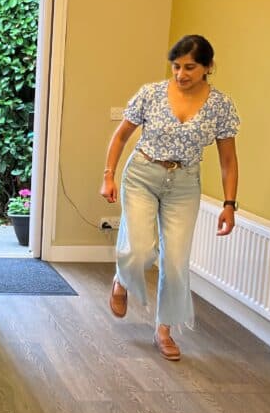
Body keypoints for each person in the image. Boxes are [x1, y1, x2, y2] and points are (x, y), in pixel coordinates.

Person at [100, 35, 239, 361]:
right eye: (176, 66)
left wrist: (229, 205)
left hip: (184, 184)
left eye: (190, 67)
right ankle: (122, 280)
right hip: (142, 176)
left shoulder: (220, 106)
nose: (181, 74)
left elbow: (229, 160)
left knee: (176, 264)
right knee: (139, 249)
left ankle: (164, 330)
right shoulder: (150, 94)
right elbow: (121, 136)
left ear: (208, 67)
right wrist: (108, 175)